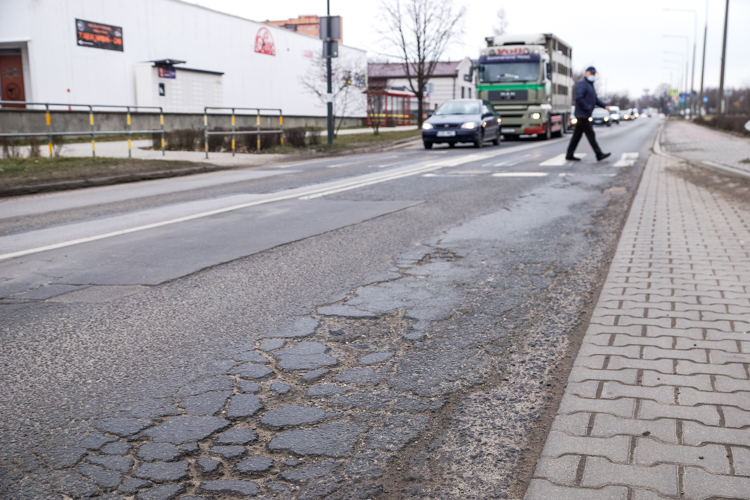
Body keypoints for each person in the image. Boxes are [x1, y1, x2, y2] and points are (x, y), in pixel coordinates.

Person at [566, 66, 611, 162]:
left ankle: (569, 154)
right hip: (582, 115)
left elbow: (595, 99)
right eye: (591, 73)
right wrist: (587, 107)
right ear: (586, 73)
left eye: (594, 74)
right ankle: (598, 154)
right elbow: (579, 98)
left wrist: (604, 106)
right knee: (591, 135)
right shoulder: (582, 84)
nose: (593, 76)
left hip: (585, 115)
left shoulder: (590, 85)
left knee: (576, 136)